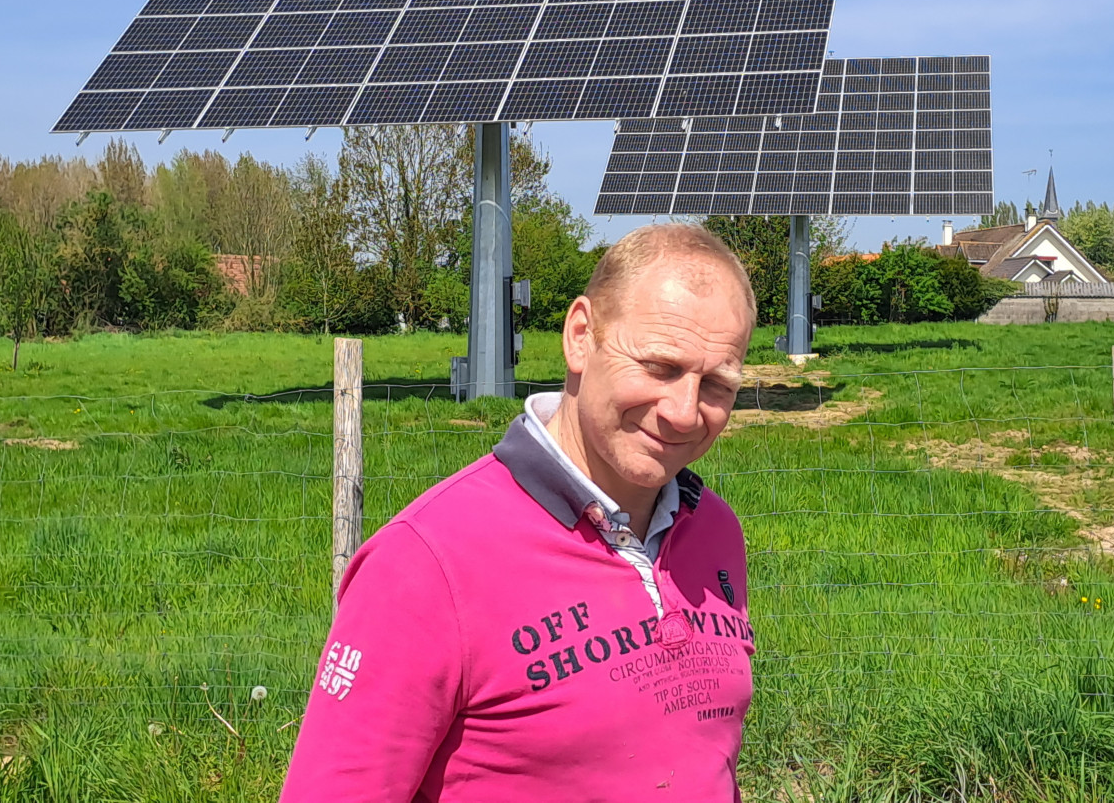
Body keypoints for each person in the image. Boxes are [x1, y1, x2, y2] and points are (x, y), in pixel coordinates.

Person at [280, 223, 758, 802]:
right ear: (581, 335)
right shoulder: (425, 563)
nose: (685, 412)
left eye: (716, 384)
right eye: (659, 367)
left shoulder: (714, 531)